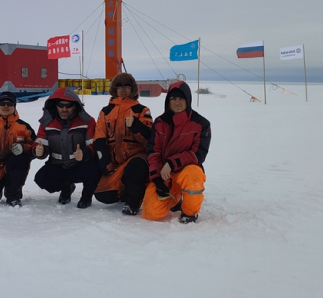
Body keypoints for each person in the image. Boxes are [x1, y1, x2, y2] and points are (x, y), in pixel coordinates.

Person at [142, 81, 211, 224]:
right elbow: (153, 152)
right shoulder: (160, 122)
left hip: (186, 171)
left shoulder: (201, 124)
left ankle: (190, 212)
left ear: (188, 100)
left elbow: (198, 154)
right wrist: (157, 178)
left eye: (181, 98)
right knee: (151, 213)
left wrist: (171, 163)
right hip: (165, 174)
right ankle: (175, 199)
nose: (177, 102)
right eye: (173, 99)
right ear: (168, 101)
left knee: (193, 174)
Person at [93, 73, 154, 215]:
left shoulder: (142, 110)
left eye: (127, 86)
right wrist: (105, 163)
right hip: (116, 162)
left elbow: (149, 137)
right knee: (103, 194)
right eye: (119, 86)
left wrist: (136, 126)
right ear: (114, 89)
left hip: (136, 158)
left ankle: (133, 203)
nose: (123, 90)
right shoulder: (105, 112)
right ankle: (126, 191)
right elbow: (99, 139)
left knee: (136, 167)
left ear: (132, 89)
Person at [32, 87, 99, 209]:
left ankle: (86, 196)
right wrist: (38, 151)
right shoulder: (46, 123)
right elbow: (39, 142)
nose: (64, 109)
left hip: (79, 165)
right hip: (58, 164)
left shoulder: (87, 121)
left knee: (95, 168)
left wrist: (85, 153)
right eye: (61, 105)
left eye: (68, 105)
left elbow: (94, 145)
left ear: (75, 106)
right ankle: (67, 187)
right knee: (41, 179)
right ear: (55, 105)